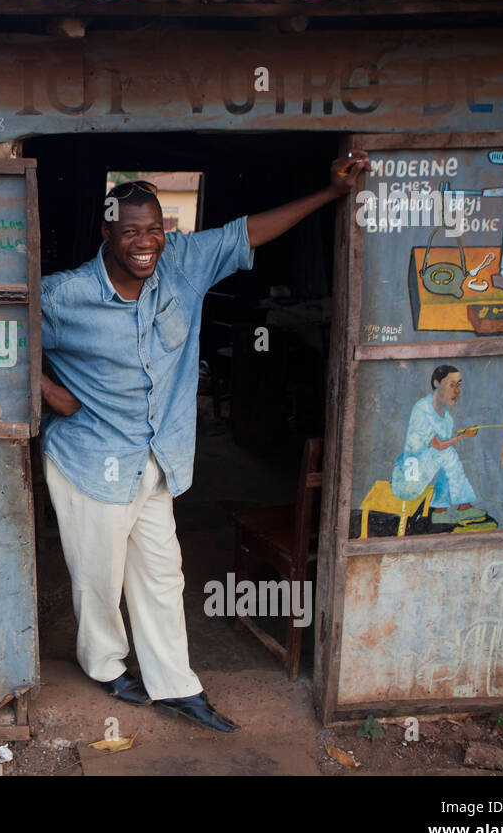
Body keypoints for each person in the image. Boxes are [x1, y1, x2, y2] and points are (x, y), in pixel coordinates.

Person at [39, 154, 368, 734]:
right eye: (132, 231)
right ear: (107, 233)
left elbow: (250, 230)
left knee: (163, 574)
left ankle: (175, 684)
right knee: (99, 578)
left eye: (155, 229)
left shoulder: (184, 264)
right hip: (90, 460)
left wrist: (332, 194)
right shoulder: (62, 296)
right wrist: (52, 394)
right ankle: (106, 664)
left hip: (155, 460)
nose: (146, 243)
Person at [389, 365, 485, 524]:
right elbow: (439, 446)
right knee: (447, 454)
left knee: (447, 459)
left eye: (459, 385)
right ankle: (463, 507)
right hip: (407, 480)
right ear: (436, 383)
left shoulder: (447, 417)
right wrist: (462, 437)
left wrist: (460, 436)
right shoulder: (423, 409)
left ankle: (440, 511)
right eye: (451, 385)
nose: (456, 391)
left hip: (424, 473)